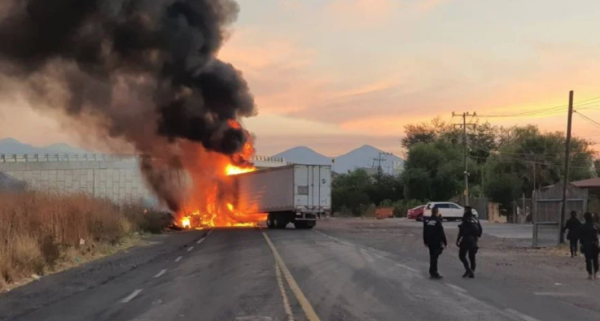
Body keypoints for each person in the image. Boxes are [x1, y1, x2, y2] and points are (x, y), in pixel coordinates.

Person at [456, 206, 482, 278]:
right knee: (472, 257)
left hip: (466, 240)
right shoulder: (476, 220)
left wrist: (458, 240)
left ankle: (469, 270)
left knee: (461, 255)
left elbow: (461, 231)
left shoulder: (465, 219)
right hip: (474, 240)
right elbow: (480, 230)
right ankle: (471, 271)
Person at [424, 206, 447, 279]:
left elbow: (425, 232)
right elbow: (441, 232)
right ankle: (434, 272)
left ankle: (432, 271)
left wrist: (425, 241)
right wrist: (445, 242)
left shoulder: (427, 221)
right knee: (435, 257)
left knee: (432, 257)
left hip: (430, 242)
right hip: (436, 242)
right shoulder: (437, 221)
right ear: (437, 212)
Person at [580, 212, 600, 280]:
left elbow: (581, 236)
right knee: (595, 259)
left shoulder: (583, 226)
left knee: (588, 259)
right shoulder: (596, 226)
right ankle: (596, 274)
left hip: (586, 244)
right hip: (595, 244)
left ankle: (590, 274)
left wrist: (582, 244)